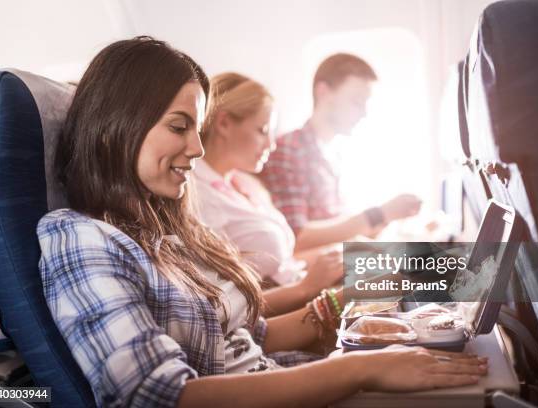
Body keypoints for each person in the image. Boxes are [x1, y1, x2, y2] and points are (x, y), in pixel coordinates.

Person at [38, 36, 487, 408]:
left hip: (285, 355)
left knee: (497, 299)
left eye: (196, 128)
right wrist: (359, 366)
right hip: (280, 369)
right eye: (180, 127)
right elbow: (157, 395)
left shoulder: (173, 225)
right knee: (490, 322)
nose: (197, 147)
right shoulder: (80, 235)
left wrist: (344, 300)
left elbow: (246, 335)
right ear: (115, 126)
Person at [194, 72, 342, 315]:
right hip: (288, 308)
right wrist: (307, 287)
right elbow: (226, 311)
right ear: (223, 124)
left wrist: (345, 253)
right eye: (262, 130)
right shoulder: (198, 195)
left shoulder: (246, 183)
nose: (271, 145)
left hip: (301, 285)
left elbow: (284, 261)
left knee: (406, 266)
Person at [260, 53, 422, 252]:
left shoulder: (334, 155)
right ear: (323, 92)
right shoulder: (288, 150)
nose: (364, 113)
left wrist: (389, 218)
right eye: (356, 102)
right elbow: (297, 236)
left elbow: (339, 227)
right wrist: (379, 214)